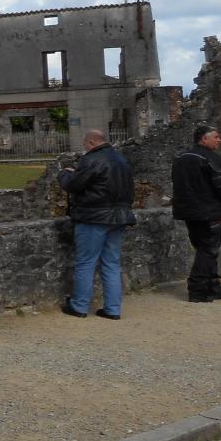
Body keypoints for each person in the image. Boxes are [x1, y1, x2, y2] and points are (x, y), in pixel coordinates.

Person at [58, 128, 136, 320]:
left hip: (94, 217)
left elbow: (74, 185)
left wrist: (64, 175)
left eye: (86, 145)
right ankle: (112, 309)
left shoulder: (92, 159)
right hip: (118, 217)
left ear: (91, 143)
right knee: (111, 263)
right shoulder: (121, 160)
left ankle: (79, 306)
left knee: (86, 262)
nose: (85, 148)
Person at [171, 125, 221, 302]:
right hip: (211, 212)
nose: (219, 139)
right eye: (215, 137)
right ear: (203, 139)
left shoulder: (180, 159)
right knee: (208, 250)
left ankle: (213, 286)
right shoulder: (211, 158)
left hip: (189, 212)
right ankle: (198, 289)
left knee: (204, 249)